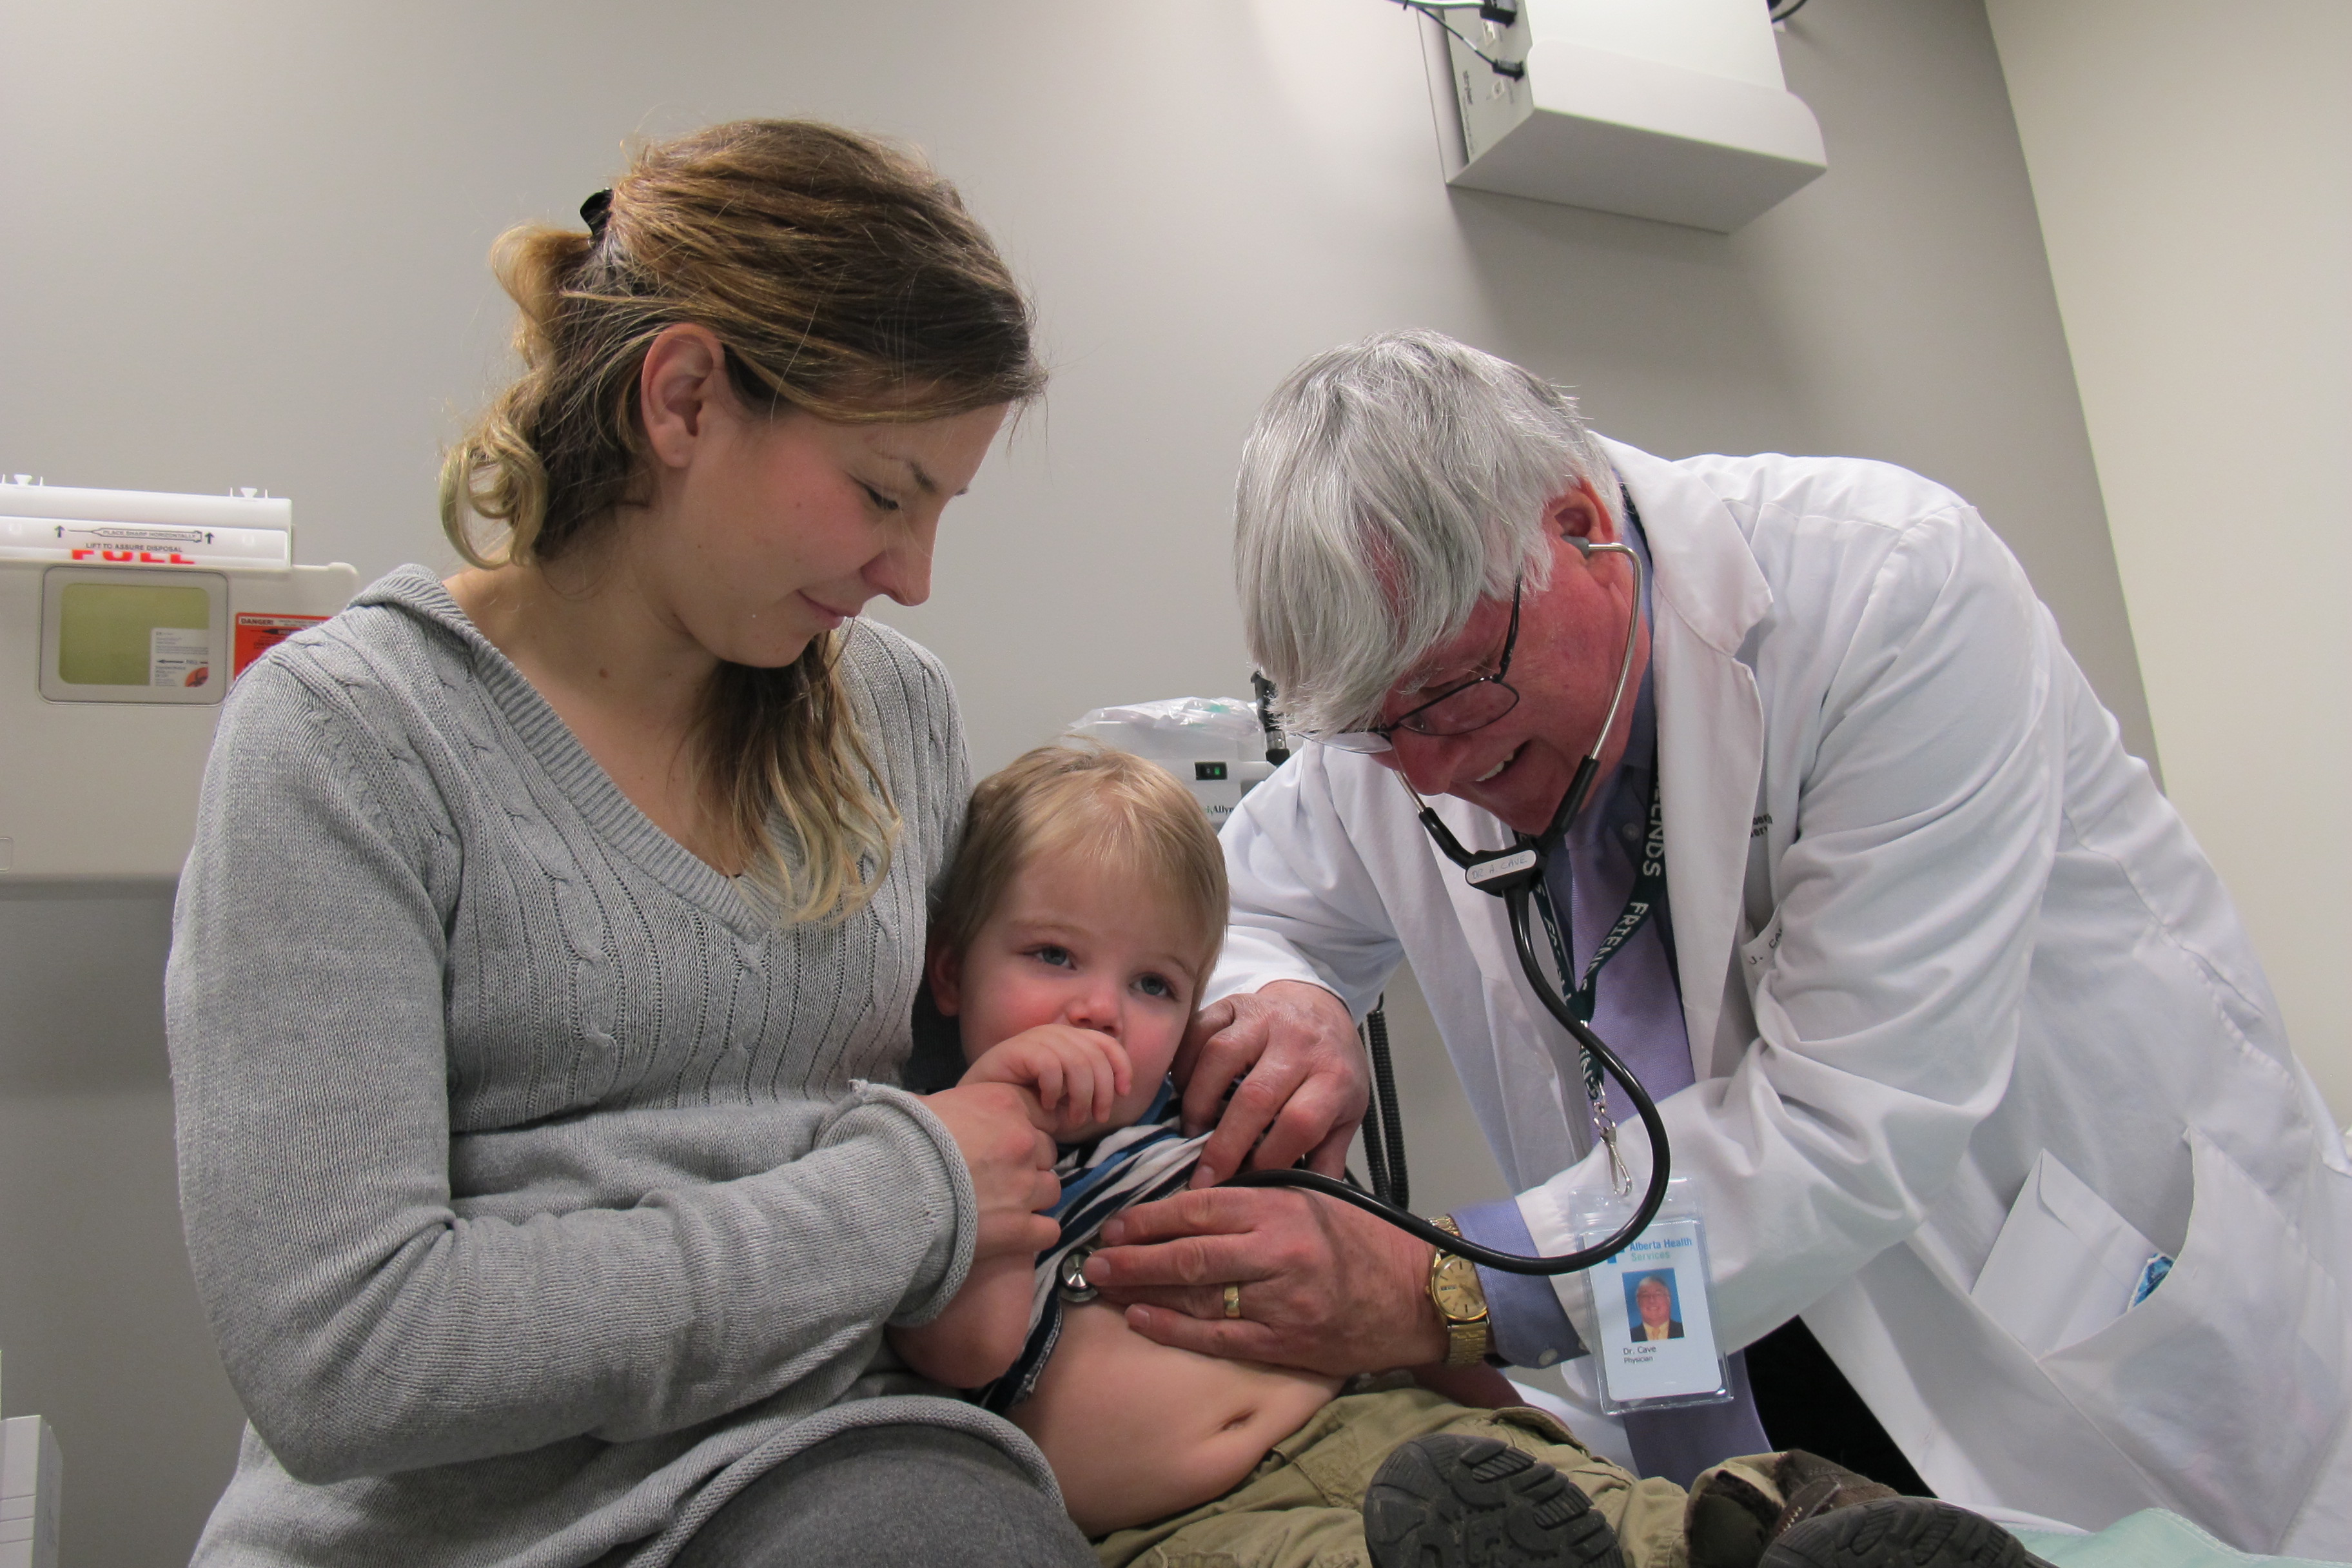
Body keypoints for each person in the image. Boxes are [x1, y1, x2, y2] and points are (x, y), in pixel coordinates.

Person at [1082, 330, 2352, 1557]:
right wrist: (1289, 998)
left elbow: (1857, 1116)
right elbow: (1244, 906)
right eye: (1374, 731)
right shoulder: (1402, 725)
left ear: (1578, 529)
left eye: (1456, 697)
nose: (1431, 770)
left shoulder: (1888, 590)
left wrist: (1440, 1287)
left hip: (2039, 1310)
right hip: (1705, 1358)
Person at [165, 121, 1097, 1567]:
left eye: (940, 509)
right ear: (682, 399)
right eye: (883, 491)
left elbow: (981, 1130)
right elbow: (349, 1355)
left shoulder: (896, 716)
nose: (910, 573)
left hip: (831, 1474)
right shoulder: (350, 739)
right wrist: (896, 1201)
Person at [901, 743, 2050, 1568]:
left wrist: (1525, 1423)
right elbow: (966, 1351)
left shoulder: (1206, 1125)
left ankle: (1788, 1523)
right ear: (951, 974)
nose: (1102, 1010)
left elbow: (1374, 1292)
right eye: (1053, 957)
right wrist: (996, 1123)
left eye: (1153, 983)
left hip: (1410, 1438)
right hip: (1203, 1525)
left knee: (1617, 1513)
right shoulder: (943, 1159)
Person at [1632, 1277, 1683, 1343]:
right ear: (1638, 1302)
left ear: (1668, 1300)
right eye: (1645, 1295)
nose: (1652, 1300)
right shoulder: (1631, 1336)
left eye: (1658, 1294)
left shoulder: (1684, 1331)